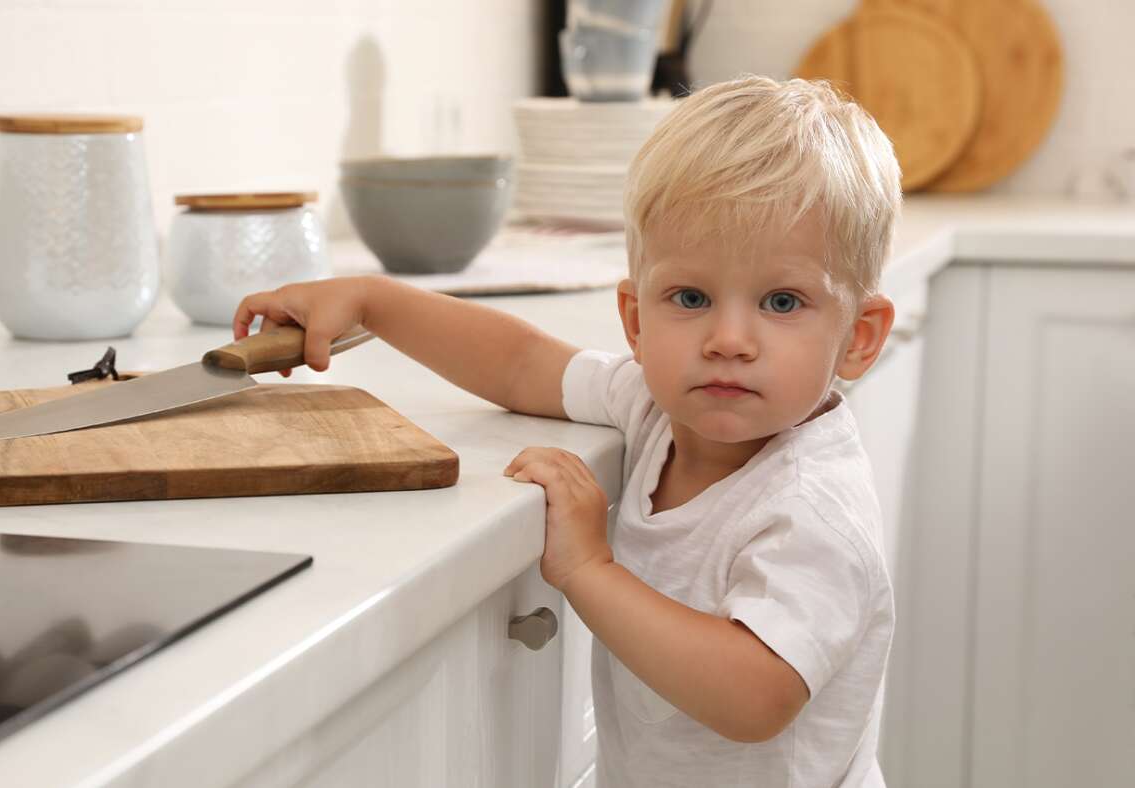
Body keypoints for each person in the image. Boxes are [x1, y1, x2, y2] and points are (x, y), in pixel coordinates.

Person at [233, 75, 900, 787]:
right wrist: (372, 300)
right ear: (637, 320)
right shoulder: (655, 406)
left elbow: (754, 697)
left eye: (781, 301)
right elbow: (520, 363)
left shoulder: (812, 507)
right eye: (691, 297)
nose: (728, 339)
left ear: (858, 338)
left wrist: (588, 569)